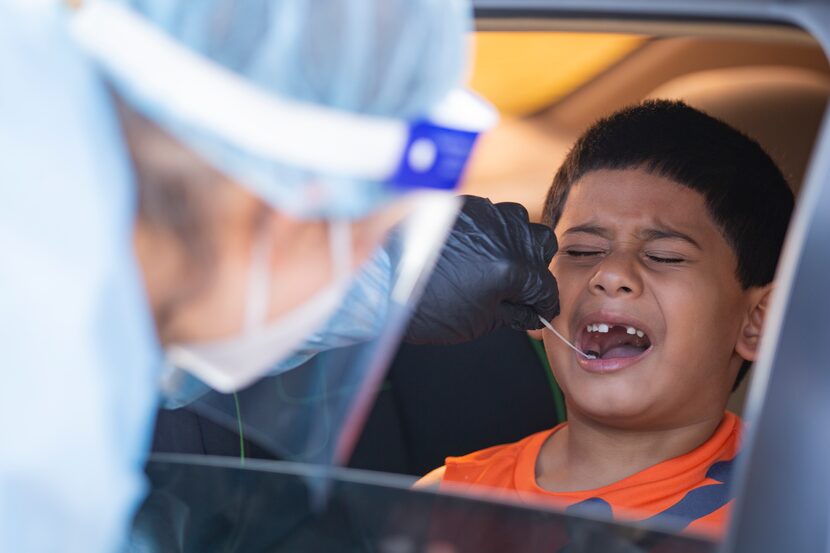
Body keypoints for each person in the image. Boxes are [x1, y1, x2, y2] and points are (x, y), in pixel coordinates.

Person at [0, 1, 559, 551]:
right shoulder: (40, 437)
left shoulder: (57, 229)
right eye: (357, 249)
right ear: (292, 211)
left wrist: (387, 276)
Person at [418, 100, 794, 539]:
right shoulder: (446, 500)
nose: (610, 274)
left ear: (756, 321)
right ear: (534, 290)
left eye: (663, 256)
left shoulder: (796, 507)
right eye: (581, 252)